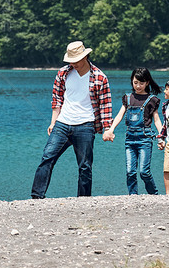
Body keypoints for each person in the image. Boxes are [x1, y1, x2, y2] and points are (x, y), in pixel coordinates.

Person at [31, 41, 113, 198]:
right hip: (62, 124)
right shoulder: (63, 73)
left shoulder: (99, 77)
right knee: (47, 157)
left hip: (85, 126)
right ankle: (36, 197)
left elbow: (105, 106)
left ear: (85, 57)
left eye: (76, 60)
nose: (73, 63)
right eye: (71, 60)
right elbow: (57, 99)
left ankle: (83, 201)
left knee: (85, 166)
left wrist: (107, 129)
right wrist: (53, 121)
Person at [103, 68, 163, 195]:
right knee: (130, 171)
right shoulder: (128, 98)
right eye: (135, 82)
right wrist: (111, 130)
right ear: (132, 81)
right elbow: (119, 115)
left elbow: (157, 120)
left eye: (141, 83)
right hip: (130, 139)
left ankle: (154, 194)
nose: (138, 86)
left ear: (147, 82)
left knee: (144, 172)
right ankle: (133, 195)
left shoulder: (152, 99)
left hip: (145, 138)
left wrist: (161, 136)